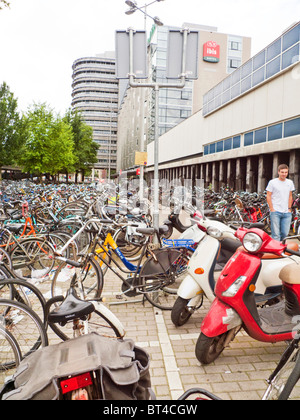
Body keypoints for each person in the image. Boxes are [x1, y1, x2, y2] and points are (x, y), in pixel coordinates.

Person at [266, 164, 295, 242]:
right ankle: (276, 252)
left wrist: (289, 208)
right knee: (276, 234)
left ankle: (281, 248)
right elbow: (268, 196)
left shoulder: (290, 182)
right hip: (275, 211)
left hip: (286, 212)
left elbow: (290, 196)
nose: (284, 174)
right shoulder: (272, 182)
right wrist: (272, 209)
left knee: (285, 233)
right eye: (282, 172)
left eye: (286, 172)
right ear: (278, 172)